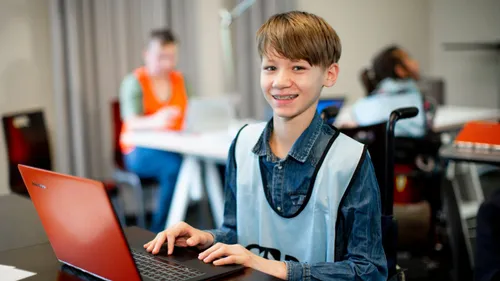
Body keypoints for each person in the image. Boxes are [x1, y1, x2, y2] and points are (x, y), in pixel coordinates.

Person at [144, 11, 387, 281]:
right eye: (271, 67)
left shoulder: (350, 160)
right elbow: (238, 232)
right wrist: (206, 237)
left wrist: (273, 267)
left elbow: (370, 271)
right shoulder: (243, 144)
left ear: (329, 74)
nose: (280, 81)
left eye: (298, 67)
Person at [119, 28, 188, 233]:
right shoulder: (134, 82)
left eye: (171, 57)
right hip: (137, 151)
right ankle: (161, 230)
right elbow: (131, 122)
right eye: (161, 57)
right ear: (146, 55)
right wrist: (156, 120)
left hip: (173, 144)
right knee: (175, 168)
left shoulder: (179, 80)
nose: (166, 63)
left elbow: (190, 111)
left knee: (212, 164)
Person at [339, 45, 427, 138]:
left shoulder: (361, 106)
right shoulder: (413, 99)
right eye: (409, 58)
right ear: (400, 70)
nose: (416, 63)